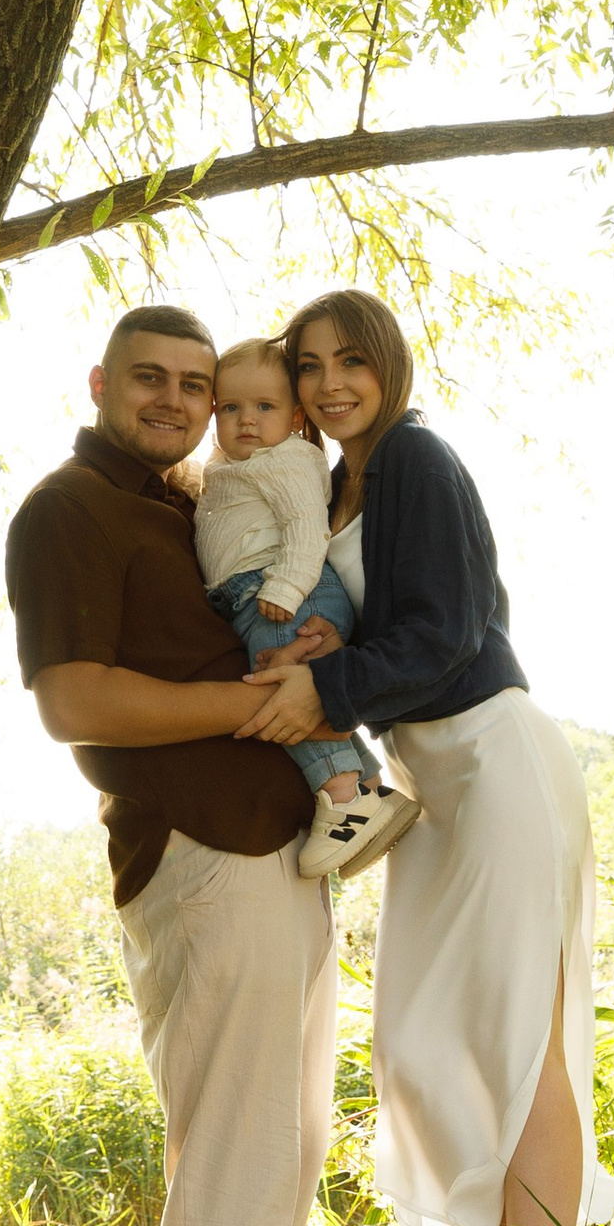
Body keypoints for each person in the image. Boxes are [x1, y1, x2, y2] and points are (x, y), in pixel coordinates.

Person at [3, 304, 399, 1226]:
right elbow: (77, 704)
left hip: (275, 866)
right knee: (234, 1187)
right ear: (102, 383)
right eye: (154, 383)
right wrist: (254, 707)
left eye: (196, 383)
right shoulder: (70, 512)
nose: (179, 402)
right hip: (206, 863)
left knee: (270, 1174)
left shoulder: (187, 508)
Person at [279, 287, 614, 1226]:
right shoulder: (342, 485)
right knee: (430, 1061)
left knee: (509, 1044)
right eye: (310, 365)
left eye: (350, 361)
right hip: (434, 789)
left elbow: (440, 636)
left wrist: (318, 693)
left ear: (388, 364)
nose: (331, 384)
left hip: (490, 760)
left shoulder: (415, 460)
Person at [192, 337, 413, 880]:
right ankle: (365, 786)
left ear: (294, 416)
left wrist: (285, 590)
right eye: (231, 408)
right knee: (299, 693)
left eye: (264, 408)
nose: (247, 421)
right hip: (262, 595)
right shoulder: (231, 463)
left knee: (283, 695)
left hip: (287, 594)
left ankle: (342, 803)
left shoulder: (284, 458)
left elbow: (304, 528)